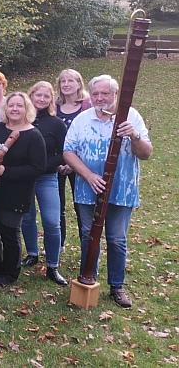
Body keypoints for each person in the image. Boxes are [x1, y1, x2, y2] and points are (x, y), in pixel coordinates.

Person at [63, 74, 152, 308]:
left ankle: (117, 286)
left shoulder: (131, 116)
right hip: (87, 189)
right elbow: (68, 152)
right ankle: (87, 277)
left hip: (122, 190)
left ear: (115, 94)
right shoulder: (82, 120)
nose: (100, 98)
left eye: (105, 93)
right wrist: (89, 176)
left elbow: (146, 153)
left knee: (116, 238)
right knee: (87, 235)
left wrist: (134, 136)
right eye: (95, 94)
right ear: (89, 96)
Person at [0, 93, 46, 286]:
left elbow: (37, 168)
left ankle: (10, 273)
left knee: (9, 232)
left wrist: (6, 171)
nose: (15, 109)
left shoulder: (33, 135)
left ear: (27, 109)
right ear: (5, 108)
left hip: (16, 192)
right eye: (11, 105)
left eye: (20, 106)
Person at [20, 81, 69, 286]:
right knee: (27, 216)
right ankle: (32, 253)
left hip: (47, 178)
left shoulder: (56, 124)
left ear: (51, 100)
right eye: (38, 95)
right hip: (24, 178)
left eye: (46, 96)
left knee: (51, 221)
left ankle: (53, 265)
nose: (41, 99)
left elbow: (64, 153)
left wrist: (42, 166)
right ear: (30, 96)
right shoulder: (21, 121)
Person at [55, 69, 91, 251]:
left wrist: (72, 162)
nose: (67, 84)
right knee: (57, 203)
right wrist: (60, 162)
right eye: (63, 81)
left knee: (81, 205)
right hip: (57, 163)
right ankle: (59, 243)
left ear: (79, 83)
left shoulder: (88, 106)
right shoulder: (54, 107)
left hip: (81, 163)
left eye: (71, 81)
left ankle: (87, 243)